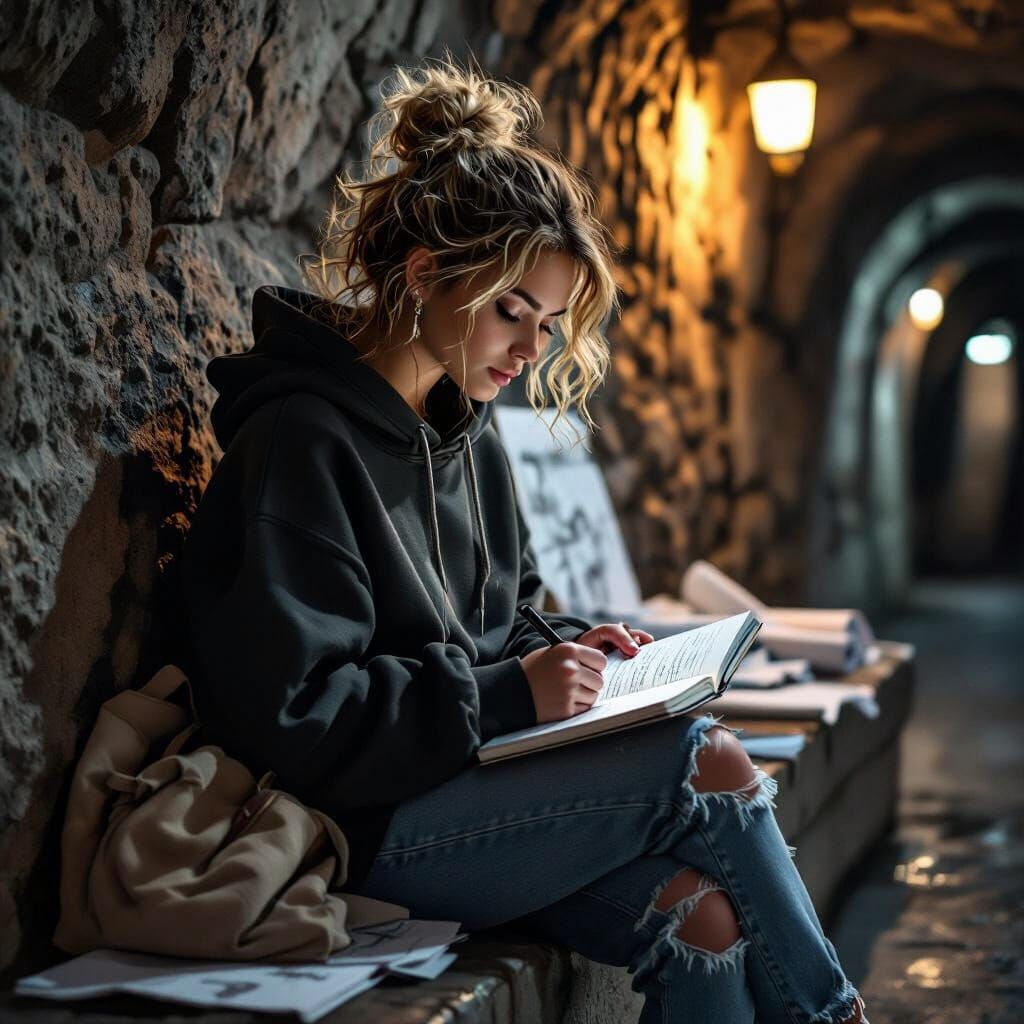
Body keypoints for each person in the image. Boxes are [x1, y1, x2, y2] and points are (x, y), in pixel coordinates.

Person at [177, 57, 869, 1024]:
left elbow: (509, 621)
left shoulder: (469, 435)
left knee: (701, 917)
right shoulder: (301, 441)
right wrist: (510, 692)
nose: (529, 348)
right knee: (704, 757)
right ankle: (838, 1017)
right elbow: (295, 719)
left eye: (546, 324)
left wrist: (570, 651)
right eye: (512, 310)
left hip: (471, 785)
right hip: (361, 822)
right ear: (424, 276)